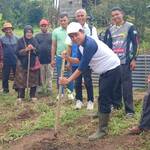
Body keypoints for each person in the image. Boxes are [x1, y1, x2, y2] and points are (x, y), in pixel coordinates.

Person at [59, 22, 121, 140]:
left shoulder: (89, 44)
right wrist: (67, 58)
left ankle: (102, 130)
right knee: (102, 96)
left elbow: (81, 68)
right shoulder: (81, 45)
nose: (74, 38)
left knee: (104, 97)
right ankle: (101, 114)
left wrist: (68, 80)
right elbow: (78, 60)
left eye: (76, 35)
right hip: (105, 71)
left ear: (82, 32)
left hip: (112, 68)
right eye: (71, 36)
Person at [104, 7, 138, 117]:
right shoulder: (110, 30)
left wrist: (134, 59)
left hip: (126, 61)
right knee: (115, 85)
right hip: (114, 63)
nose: (115, 17)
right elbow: (107, 47)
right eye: (113, 15)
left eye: (117, 14)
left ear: (122, 14)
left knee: (127, 87)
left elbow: (136, 43)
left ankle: (129, 111)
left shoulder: (130, 27)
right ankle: (117, 106)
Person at [66, 9, 98, 110]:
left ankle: (90, 100)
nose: (80, 17)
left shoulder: (91, 29)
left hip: (87, 59)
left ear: (86, 16)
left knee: (88, 80)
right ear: (76, 17)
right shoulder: (71, 28)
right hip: (76, 58)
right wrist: (68, 60)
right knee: (77, 82)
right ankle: (79, 100)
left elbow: (95, 44)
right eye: (78, 16)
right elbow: (69, 46)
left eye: (82, 15)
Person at [51, 12, 74, 100]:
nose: (63, 22)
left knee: (69, 74)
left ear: (68, 20)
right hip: (59, 57)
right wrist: (53, 59)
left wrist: (69, 60)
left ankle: (70, 92)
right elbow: (53, 46)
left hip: (70, 56)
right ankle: (60, 92)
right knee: (59, 75)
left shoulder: (72, 30)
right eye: (61, 21)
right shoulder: (56, 31)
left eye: (64, 20)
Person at [14, 25, 40, 102]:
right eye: (27, 32)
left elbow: (38, 51)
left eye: (30, 32)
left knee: (33, 79)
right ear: (24, 33)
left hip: (32, 63)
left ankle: (32, 95)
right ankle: (20, 96)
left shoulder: (34, 40)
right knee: (21, 80)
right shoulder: (20, 41)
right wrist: (25, 50)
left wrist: (33, 49)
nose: (29, 34)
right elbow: (17, 52)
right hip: (22, 64)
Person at [35, 19, 53, 95]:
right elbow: (35, 47)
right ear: (40, 27)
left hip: (49, 60)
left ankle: (49, 89)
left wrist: (53, 58)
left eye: (45, 25)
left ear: (48, 26)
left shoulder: (51, 35)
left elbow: (54, 46)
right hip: (40, 60)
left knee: (49, 76)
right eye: (42, 26)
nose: (43, 27)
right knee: (40, 76)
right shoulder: (37, 36)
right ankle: (40, 89)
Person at [0, 22, 18, 93]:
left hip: (15, 59)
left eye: (9, 29)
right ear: (4, 30)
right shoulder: (1, 39)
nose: (8, 31)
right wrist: (1, 61)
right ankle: (5, 89)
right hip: (5, 60)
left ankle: (17, 88)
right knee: (5, 75)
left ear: (11, 29)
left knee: (16, 75)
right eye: (6, 30)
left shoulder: (17, 38)